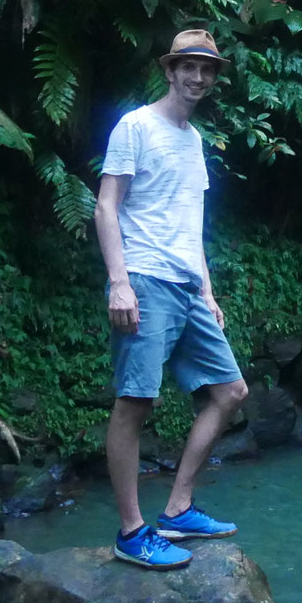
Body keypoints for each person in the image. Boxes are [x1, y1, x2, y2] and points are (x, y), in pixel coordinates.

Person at [94, 28, 249, 570]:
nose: (199, 77)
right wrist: (120, 281)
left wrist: (207, 291)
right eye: (190, 67)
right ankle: (131, 532)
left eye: (208, 69)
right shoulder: (136, 126)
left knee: (230, 391)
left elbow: (190, 223)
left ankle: (178, 509)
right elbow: (106, 205)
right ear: (169, 69)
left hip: (186, 284)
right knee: (136, 400)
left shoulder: (192, 141)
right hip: (145, 278)